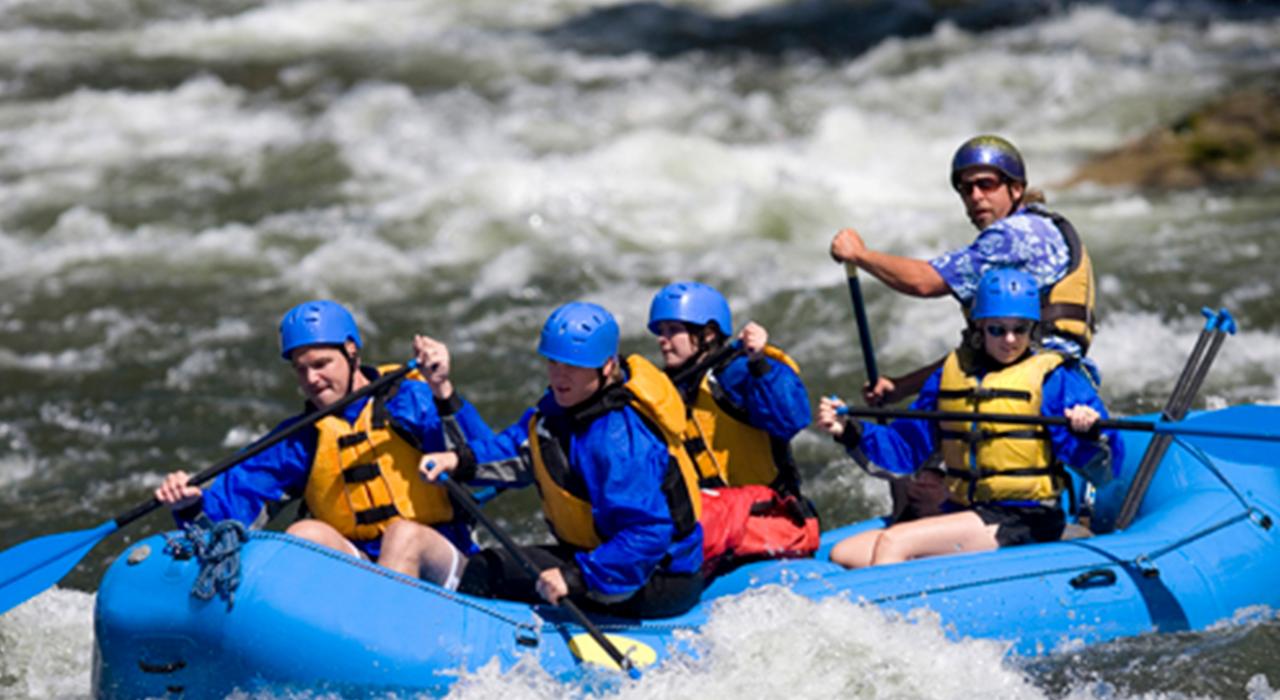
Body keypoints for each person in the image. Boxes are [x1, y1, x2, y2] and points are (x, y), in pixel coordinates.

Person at [829, 134, 1099, 521]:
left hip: (1045, 386)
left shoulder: (1017, 236)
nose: (975, 196)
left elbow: (925, 282)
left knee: (920, 473)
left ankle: (924, 524)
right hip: (1022, 370)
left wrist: (860, 255)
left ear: (1016, 188)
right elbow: (991, 344)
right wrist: (903, 385)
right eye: (965, 188)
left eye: (986, 184)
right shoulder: (1030, 237)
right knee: (932, 413)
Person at [154, 300, 491, 589]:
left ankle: (377, 646)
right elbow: (224, 527)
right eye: (301, 370)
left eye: (321, 364)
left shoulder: (413, 400)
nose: (311, 380)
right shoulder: (303, 437)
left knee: (402, 536)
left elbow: (487, 463)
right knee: (304, 535)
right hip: (366, 569)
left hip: (442, 562)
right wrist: (189, 506)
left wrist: (443, 390)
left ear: (352, 352)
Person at [815, 269, 1123, 569]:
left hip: (1025, 519)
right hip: (967, 511)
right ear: (979, 329)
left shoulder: (1057, 378)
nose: (1010, 340)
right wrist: (849, 430)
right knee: (846, 552)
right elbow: (905, 450)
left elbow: (1104, 469)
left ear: (1034, 329)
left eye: (1021, 329)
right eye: (997, 329)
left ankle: (890, 619)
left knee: (894, 543)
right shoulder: (952, 375)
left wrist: (1090, 433)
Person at [420, 301, 705, 619]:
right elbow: (517, 450)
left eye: (574, 365)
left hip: (655, 577)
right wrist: (459, 460)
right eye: (553, 362)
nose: (559, 375)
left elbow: (648, 533)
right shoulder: (559, 414)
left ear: (607, 367)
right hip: (601, 557)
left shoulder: (619, 441)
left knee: (486, 573)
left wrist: (576, 577)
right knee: (489, 565)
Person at [646, 281, 818, 574]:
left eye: (673, 330)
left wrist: (760, 362)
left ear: (708, 334)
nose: (663, 340)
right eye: (660, 331)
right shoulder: (668, 389)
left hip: (768, 523)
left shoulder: (735, 374)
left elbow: (792, 417)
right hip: (715, 527)